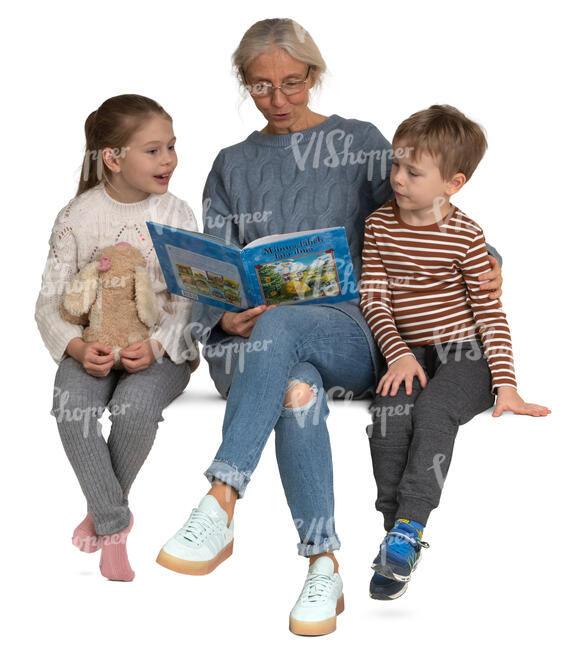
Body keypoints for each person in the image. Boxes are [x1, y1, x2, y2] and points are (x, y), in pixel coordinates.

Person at [156, 20, 503, 635]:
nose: (279, 99)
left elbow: (424, 211)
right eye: (261, 87)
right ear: (245, 85)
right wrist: (223, 312)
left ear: (313, 75)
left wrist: (488, 263)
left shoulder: (360, 143)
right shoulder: (231, 164)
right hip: (254, 336)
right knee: (297, 392)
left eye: (292, 82)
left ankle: (222, 495)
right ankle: (323, 565)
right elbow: (212, 264)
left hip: (353, 329)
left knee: (290, 325)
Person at [359, 104, 550, 601]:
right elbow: (375, 297)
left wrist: (506, 383)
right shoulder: (379, 226)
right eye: (395, 165)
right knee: (390, 414)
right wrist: (398, 353)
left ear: (453, 183)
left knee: (435, 410)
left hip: (466, 353)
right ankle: (395, 532)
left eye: (413, 172)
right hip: (409, 351)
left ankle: (410, 526)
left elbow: (490, 315)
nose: (397, 178)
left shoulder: (466, 237)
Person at [35, 94, 199, 582]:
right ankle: (115, 523)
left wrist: (155, 346)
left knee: (134, 409)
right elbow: (49, 302)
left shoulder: (178, 214)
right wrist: (79, 347)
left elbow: (191, 301)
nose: (168, 159)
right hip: (93, 344)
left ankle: (103, 513)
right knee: (72, 406)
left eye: (171, 146)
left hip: (162, 349)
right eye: (153, 150)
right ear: (113, 157)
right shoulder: (76, 216)